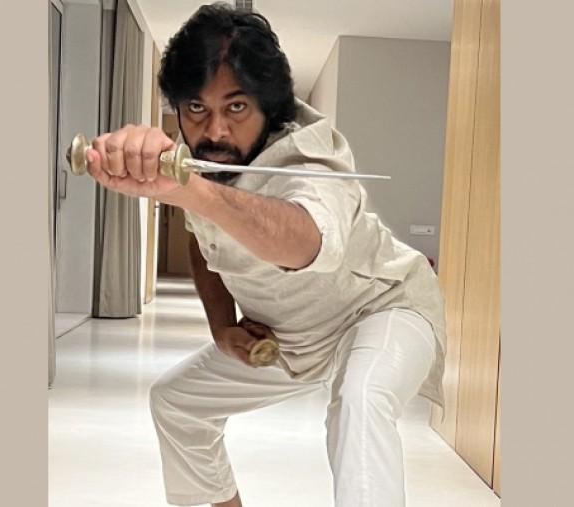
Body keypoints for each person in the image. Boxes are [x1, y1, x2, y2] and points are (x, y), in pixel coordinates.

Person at [83, 3, 446, 506]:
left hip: (383, 308)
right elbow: (202, 239)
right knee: (177, 402)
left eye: (236, 108)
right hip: (294, 337)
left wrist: (190, 190)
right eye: (196, 108)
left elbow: (305, 243)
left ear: (269, 107)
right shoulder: (198, 159)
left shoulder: (312, 153)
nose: (215, 132)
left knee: (360, 400)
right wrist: (221, 326)